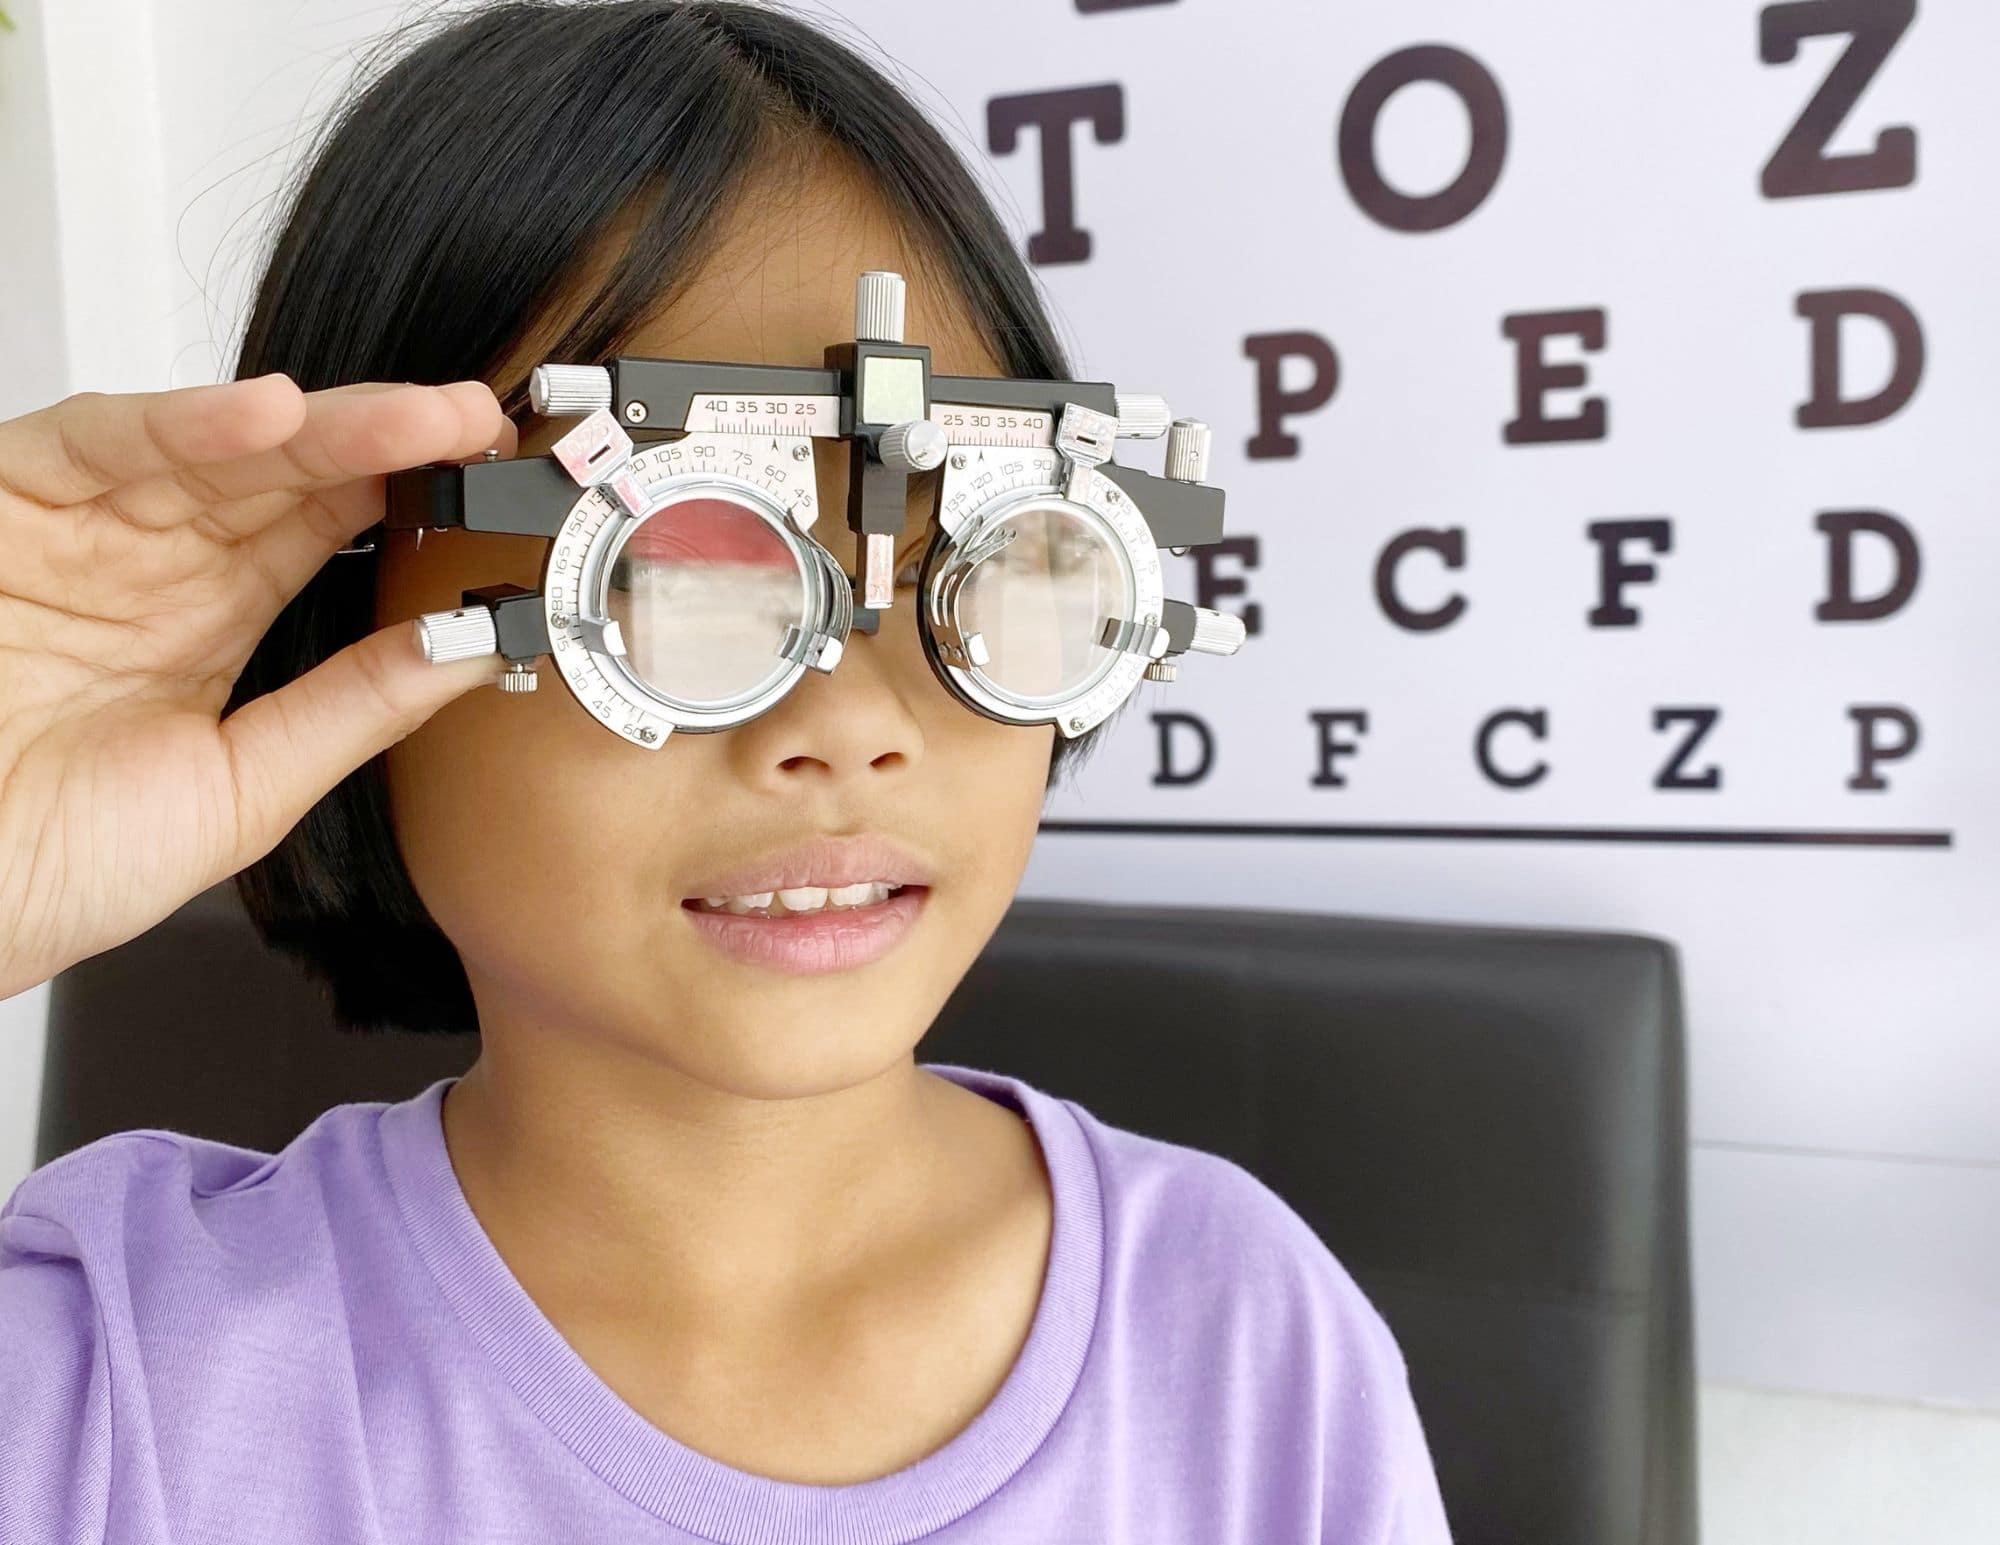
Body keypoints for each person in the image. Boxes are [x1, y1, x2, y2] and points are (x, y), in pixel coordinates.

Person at [0, 2, 1453, 1539]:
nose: (850, 721)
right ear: (341, 599)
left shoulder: (1244, 1336)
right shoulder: (112, 1374)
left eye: (989, 552)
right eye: (675, 572)